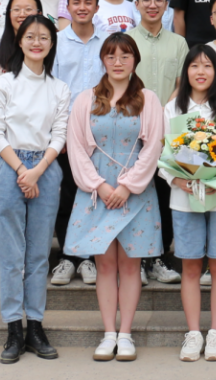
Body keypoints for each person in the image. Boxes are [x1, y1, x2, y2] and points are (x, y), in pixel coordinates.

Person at [65, 33, 165, 362]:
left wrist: (127, 186)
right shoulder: (86, 99)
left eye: (125, 56)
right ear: (103, 60)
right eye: (111, 56)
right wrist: (99, 185)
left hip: (135, 192)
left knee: (131, 265)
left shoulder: (148, 99)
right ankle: (109, 333)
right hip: (97, 193)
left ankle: (126, 333)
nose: (118, 62)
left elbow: (153, 147)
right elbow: (76, 148)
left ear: (135, 60)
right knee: (105, 265)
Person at [0, 15, 71, 364]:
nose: (37, 42)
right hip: (10, 167)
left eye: (44, 37)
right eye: (30, 36)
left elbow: (60, 134)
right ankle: (13, 329)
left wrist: (37, 171)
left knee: (38, 255)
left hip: (46, 169)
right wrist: (23, 170)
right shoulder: (3, 84)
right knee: (10, 255)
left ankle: (35, 325)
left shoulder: (59, 88)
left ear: (52, 44)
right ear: (19, 41)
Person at [160, 45, 216, 362]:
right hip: (184, 198)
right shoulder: (173, 108)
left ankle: (215, 333)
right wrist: (178, 180)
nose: (201, 71)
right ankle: (193, 333)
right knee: (190, 266)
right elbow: (162, 155)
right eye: (195, 66)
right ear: (186, 72)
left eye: (207, 66)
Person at [126, 0, 189, 285]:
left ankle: (159, 258)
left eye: (159, 0)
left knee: (164, 196)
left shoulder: (179, 43)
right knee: (134, 194)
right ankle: (135, 260)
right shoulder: (125, 41)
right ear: (136, 3)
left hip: (166, 132)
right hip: (131, 131)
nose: (153, 5)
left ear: (167, 5)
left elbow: (181, 85)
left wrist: (161, 119)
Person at [49, 0, 107, 289]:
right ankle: (68, 257)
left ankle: (90, 258)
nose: (82, 7)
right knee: (68, 197)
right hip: (66, 132)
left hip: (102, 134)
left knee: (95, 195)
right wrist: (57, 134)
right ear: (68, 6)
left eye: (88, 2)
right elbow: (51, 89)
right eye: (76, 2)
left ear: (97, 7)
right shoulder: (56, 42)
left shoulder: (109, 42)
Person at [0, 0, 43, 154]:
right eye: (16, 9)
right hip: (4, 134)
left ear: (39, 14)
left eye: (28, 9)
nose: (22, 14)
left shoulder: (48, 50)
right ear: (8, 14)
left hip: (40, 133)